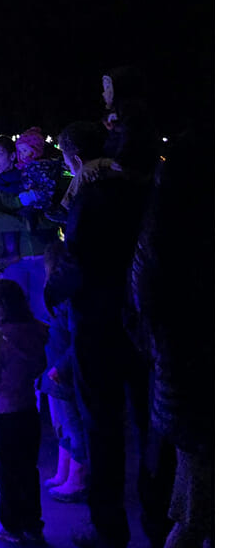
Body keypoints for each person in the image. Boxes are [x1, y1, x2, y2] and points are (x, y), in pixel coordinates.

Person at [56, 120, 170, 548]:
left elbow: (76, 261)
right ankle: (157, 519)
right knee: (148, 422)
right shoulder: (146, 193)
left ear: (78, 160)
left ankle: (109, 529)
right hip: (141, 324)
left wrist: (53, 291)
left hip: (97, 326)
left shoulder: (90, 197)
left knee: (102, 427)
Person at [132, 133, 208, 548]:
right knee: (197, 512)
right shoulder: (190, 242)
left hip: (179, 388)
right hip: (194, 394)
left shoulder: (159, 235)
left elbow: (146, 306)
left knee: (192, 510)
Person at [0, 278, 49, 545]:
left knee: (6, 472)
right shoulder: (36, 332)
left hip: (2, 415)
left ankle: (11, 525)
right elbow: (39, 367)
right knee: (28, 469)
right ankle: (33, 524)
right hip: (28, 411)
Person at [41, 245, 88, 501]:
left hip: (62, 374)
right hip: (53, 373)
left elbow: (77, 339)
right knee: (61, 425)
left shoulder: (69, 300)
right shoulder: (58, 298)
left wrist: (62, 366)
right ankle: (64, 472)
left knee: (72, 425)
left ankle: (78, 479)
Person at [0, 136, 53, 262]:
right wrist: (27, 224)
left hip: (44, 253)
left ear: (13, 156)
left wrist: (10, 218)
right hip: (11, 262)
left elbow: (54, 210)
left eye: (0, 154)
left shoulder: (34, 176)